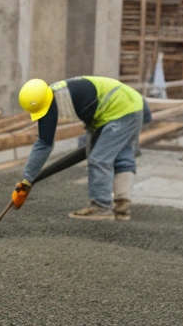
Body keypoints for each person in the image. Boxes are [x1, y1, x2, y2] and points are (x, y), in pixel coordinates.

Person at [14, 75, 148, 221]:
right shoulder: (51, 95)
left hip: (123, 108)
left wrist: (27, 180)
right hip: (122, 105)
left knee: (99, 158)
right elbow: (45, 142)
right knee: (117, 154)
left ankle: (101, 206)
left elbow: (44, 144)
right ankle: (122, 204)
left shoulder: (56, 100)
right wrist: (26, 180)